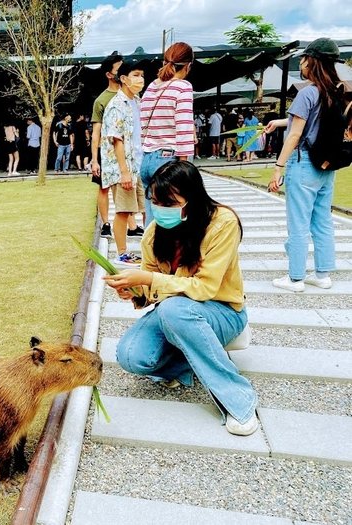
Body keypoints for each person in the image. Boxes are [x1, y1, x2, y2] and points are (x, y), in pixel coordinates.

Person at [104, 160, 258, 436]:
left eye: (169, 202)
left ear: (193, 198)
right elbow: (152, 284)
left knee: (174, 309)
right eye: (154, 201)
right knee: (131, 356)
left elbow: (206, 288)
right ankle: (197, 354)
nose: (160, 209)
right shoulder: (153, 233)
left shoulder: (222, 223)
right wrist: (135, 290)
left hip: (222, 310)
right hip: (176, 313)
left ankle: (239, 400)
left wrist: (149, 280)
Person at [265, 38, 345, 292]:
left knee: (298, 222)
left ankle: (295, 277)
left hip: (303, 165)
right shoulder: (336, 91)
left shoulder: (307, 92)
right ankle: (322, 274)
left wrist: (278, 166)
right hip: (325, 166)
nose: (301, 62)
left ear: (313, 61)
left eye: (304, 58)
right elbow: (311, 124)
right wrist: (279, 122)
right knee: (322, 220)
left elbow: (296, 134)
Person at [139, 42, 195, 225]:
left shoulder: (151, 88)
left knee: (153, 221)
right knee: (174, 221)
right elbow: (184, 127)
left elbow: (142, 125)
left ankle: (150, 253)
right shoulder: (183, 87)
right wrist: (185, 166)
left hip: (147, 160)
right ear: (188, 65)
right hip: (169, 159)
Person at [101, 59, 146, 268]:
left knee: (143, 208)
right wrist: (124, 172)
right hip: (123, 168)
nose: (140, 79)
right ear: (124, 78)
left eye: (142, 75)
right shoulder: (116, 105)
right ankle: (122, 253)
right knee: (123, 211)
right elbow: (116, 139)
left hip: (137, 164)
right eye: (136, 75)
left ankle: (150, 251)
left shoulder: (136, 101)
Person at [92, 52, 123, 239]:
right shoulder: (101, 101)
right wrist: (94, 160)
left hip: (127, 151)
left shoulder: (132, 96)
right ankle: (105, 223)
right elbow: (96, 132)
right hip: (106, 151)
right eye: (119, 69)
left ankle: (131, 224)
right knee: (104, 187)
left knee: (126, 187)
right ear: (109, 75)